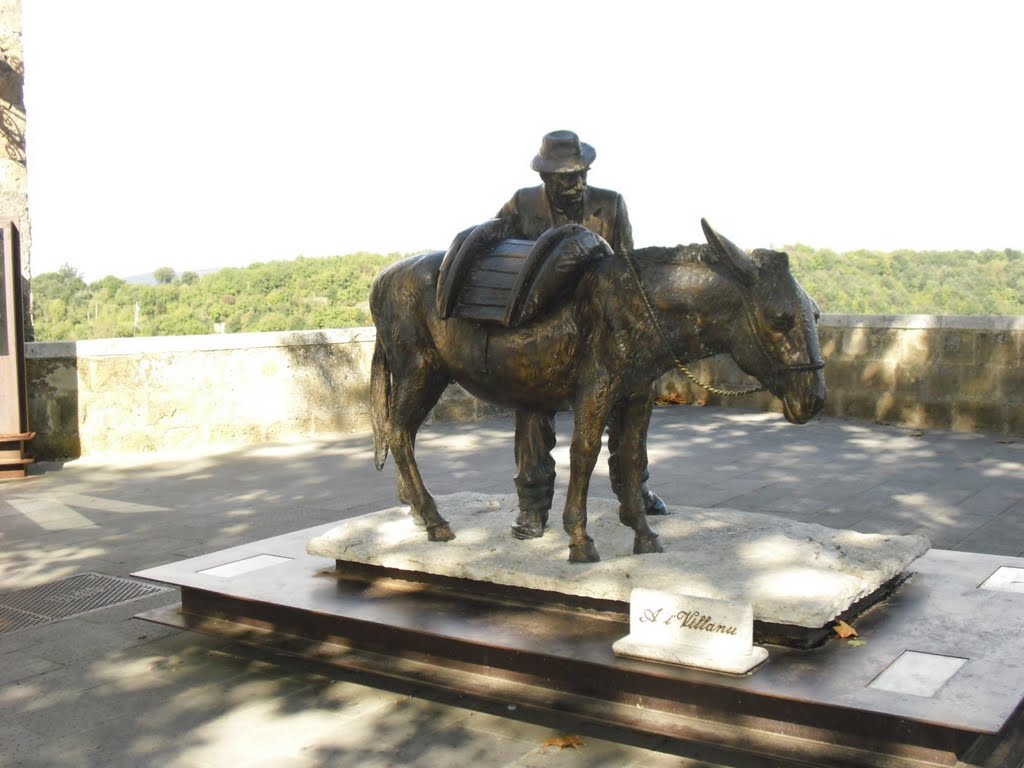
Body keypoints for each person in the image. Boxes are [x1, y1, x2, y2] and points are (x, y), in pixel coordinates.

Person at [495, 130, 666, 541]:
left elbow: (627, 268)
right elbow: (499, 252)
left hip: (598, 329)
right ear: (545, 176)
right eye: (563, 177)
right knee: (532, 412)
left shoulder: (610, 205)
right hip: (543, 332)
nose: (574, 184)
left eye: (580, 175)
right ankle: (533, 507)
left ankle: (634, 489)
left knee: (629, 405)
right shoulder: (522, 204)